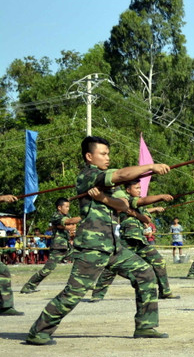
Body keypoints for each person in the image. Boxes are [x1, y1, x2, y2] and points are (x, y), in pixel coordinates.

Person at [24, 136, 170, 345]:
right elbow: (121, 174)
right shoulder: (88, 175)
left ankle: (145, 325)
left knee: (145, 273)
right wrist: (151, 166)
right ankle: (38, 331)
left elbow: (122, 206)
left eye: (108, 154)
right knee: (73, 293)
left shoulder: (108, 185)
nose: (107, 157)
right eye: (103, 154)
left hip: (112, 246)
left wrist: (103, 199)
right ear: (89, 156)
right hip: (92, 247)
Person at [88, 180, 179, 301]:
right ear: (128, 190)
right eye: (136, 188)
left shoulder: (140, 208)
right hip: (126, 240)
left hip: (140, 241)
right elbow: (141, 201)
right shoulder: (126, 201)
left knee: (159, 261)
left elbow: (146, 219)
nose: (139, 190)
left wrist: (135, 214)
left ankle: (165, 291)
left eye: (140, 188)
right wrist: (161, 197)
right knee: (112, 268)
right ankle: (97, 295)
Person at [20, 198, 80, 294]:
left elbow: (70, 227)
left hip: (67, 246)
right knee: (47, 270)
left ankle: (81, 284)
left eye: (69, 206)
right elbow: (69, 223)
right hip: (58, 247)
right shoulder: (56, 216)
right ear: (59, 208)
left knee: (83, 260)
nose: (68, 208)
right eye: (66, 206)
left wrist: (70, 228)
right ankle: (28, 286)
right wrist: (83, 217)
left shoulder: (66, 215)